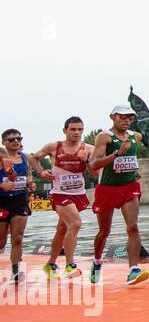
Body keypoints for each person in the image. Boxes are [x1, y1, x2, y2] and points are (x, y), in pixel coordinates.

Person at [88, 105, 149, 286]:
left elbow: (130, 159)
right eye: (123, 117)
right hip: (107, 188)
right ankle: (97, 261)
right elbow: (94, 165)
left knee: (133, 227)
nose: (127, 120)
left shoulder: (135, 137)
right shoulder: (104, 137)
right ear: (113, 116)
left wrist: (134, 169)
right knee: (104, 231)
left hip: (128, 187)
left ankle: (133, 269)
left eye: (130, 118)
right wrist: (116, 154)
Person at [28, 117, 91, 279]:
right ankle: (70, 266)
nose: (77, 133)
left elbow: (97, 171)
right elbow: (33, 158)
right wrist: (41, 172)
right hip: (59, 194)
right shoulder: (54, 147)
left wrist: (88, 160)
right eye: (73, 129)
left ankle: (50, 264)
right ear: (65, 130)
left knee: (63, 229)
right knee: (75, 223)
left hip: (78, 194)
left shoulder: (87, 148)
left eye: (80, 129)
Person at [1, 129, 34, 282]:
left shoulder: (25, 158)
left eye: (18, 139)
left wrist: (30, 184)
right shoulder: (1, 157)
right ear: (4, 143)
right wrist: (2, 185)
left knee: (17, 238)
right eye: (11, 139)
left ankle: (16, 271)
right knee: (1, 240)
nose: (16, 141)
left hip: (20, 199)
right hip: (2, 201)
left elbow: (28, 176)